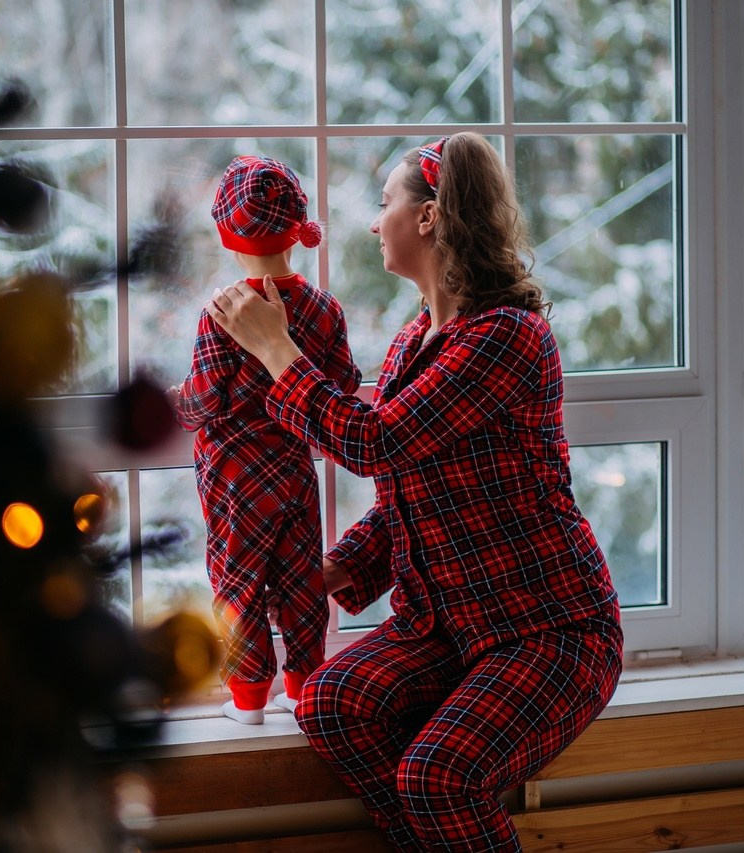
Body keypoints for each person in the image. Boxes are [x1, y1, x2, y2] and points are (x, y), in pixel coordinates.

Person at [206, 133, 623, 849]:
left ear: (428, 217)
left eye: (385, 203)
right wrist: (329, 571)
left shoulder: (507, 338)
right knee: (330, 704)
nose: (374, 222)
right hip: (444, 629)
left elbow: (376, 443)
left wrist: (277, 349)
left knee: (437, 778)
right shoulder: (410, 343)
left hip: (548, 629)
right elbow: (406, 492)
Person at [172, 155, 362, 725]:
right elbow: (343, 384)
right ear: (295, 230)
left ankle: (249, 697)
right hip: (296, 468)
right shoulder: (324, 308)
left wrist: (176, 401)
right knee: (301, 580)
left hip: (235, 477)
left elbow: (204, 399)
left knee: (239, 581)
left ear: (228, 236)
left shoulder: (225, 311)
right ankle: (303, 689)